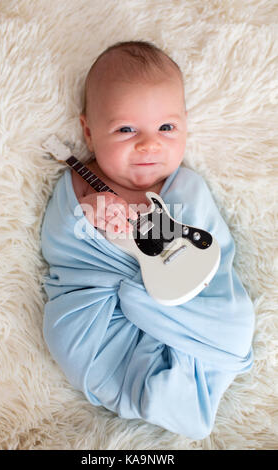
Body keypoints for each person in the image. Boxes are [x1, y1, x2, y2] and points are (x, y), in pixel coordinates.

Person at [41, 41, 255, 439]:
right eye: (126, 129)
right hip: (104, 310)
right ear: (88, 131)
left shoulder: (186, 188)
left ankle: (179, 390)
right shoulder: (76, 184)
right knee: (65, 333)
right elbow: (59, 248)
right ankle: (148, 386)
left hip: (185, 306)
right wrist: (86, 217)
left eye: (167, 128)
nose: (149, 144)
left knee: (239, 321)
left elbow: (215, 250)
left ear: (186, 125)